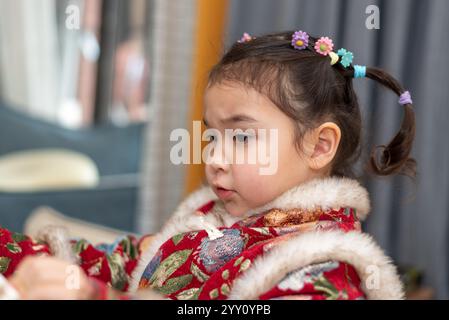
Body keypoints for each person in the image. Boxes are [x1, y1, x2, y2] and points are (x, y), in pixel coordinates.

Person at [0, 30, 416, 300]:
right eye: (212, 137)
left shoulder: (328, 269)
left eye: (240, 136)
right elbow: (118, 260)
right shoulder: (206, 221)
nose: (214, 159)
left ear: (319, 145)